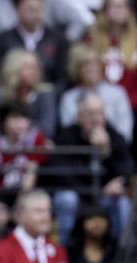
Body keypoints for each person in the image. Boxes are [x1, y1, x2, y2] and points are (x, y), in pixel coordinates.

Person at [54, 93, 134, 244]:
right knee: (67, 199)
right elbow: (63, 176)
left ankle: (121, 255)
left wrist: (106, 153)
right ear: (79, 116)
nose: (96, 119)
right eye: (91, 114)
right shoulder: (66, 137)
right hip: (78, 196)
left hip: (104, 197)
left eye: (100, 113)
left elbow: (127, 171)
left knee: (122, 203)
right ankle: (62, 252)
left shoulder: (114, 135)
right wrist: (98, 191)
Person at [0, 0, 68, 92]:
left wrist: (51, 95)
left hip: (46, 95)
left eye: (39, 9)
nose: (36, 15)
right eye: (30, 10)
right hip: (11, 95)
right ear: (17, 11)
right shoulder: (3, 39)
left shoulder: (57, 39)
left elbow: (62, 77)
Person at [60, 44, 133, 143]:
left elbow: (125, 132)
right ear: (77, 69)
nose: (91, 69)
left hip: (115, 148)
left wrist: (106, 141)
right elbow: (68, 131)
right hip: (79, 150)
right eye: (85, 65)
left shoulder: (118, 93)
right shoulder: (68, 98)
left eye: (95, 64)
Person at [0, 48, 56, 141]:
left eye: (36, 67)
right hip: (3, 149)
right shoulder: (0, 93)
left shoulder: (45, 94)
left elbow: (47, 128)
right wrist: (3, 144)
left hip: (35, 149)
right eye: (28, 67)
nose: (34, 71)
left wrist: (20, 129)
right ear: (13, 69)